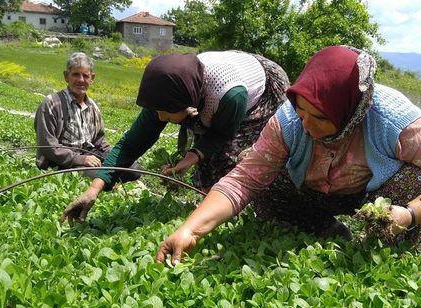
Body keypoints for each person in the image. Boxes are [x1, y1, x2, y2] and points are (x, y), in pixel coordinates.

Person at [155, 45, 421, 265]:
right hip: (310, 194)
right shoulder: (288, 120)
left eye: (322, 117)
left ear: (351, 111)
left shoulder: (392, 118)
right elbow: (243, 181)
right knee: (262, 180)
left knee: (417, 179)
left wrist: (408, 215)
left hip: (374, 201)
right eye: (302, 110)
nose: (307, 125)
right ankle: (324, 229)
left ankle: (387, 248)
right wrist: (191, 229)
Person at [61, 50, 290, 223]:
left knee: (231, 157)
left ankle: (238, 213)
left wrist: (192, 157)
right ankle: (208, 207)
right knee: (207, 164)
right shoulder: (169, 91)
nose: (159, 116)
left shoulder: (230, 97)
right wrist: (95, 188)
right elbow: (131, 144)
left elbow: (221, 135)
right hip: (214, 88)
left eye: (164, 111)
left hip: (262, 89)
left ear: (187, 103)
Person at [34, 52, 141, 180]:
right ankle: (102, 182)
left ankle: (105, 179)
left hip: (89, 156)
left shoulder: (92, 107)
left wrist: (117, 157)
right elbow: (47, 146)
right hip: (60, 162)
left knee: (133, 169)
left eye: (85, 76)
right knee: (101, 176)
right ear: (66, 76)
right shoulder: (51, 103)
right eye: (75, 74)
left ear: (92, 78)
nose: (81, 80)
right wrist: (79, 159)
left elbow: (99, 142)